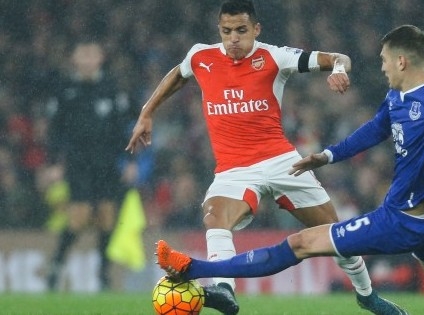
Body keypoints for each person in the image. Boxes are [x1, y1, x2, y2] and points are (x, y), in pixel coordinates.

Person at [155, 25, 424, 315]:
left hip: (401, 219)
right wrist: (325, 157)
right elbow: (370, 133)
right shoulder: (396, 100)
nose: (381, 67)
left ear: (402, 61)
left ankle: (191, 269)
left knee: (302, 243)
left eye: (385, 61)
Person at [125, 1, 403, 314]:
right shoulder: (201, 56)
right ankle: (224, 290)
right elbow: (179, 73)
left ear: (256, 29)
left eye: (241, 31)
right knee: (215, 217)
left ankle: (367, 296)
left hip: (282, 162)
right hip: (233, 169)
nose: (233, 39)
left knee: (335, 234)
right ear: (219, 30)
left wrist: (338, 70)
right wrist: (147, 112)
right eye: (227, 31)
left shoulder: (274, 56)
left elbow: (340, 58)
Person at [45, 41, 135, 291]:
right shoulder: (65, 90)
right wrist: (54, 163)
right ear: (74, 58)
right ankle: (56, 266)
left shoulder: (113, 89)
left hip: (107, 162)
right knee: (80, 215)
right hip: (78, 163)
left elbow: (125, 129)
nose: (86, 60)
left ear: (100, 57)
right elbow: (54, 131)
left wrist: (129, 161)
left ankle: (103, 275)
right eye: (82, 54)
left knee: (107, 217)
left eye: (91, 54)